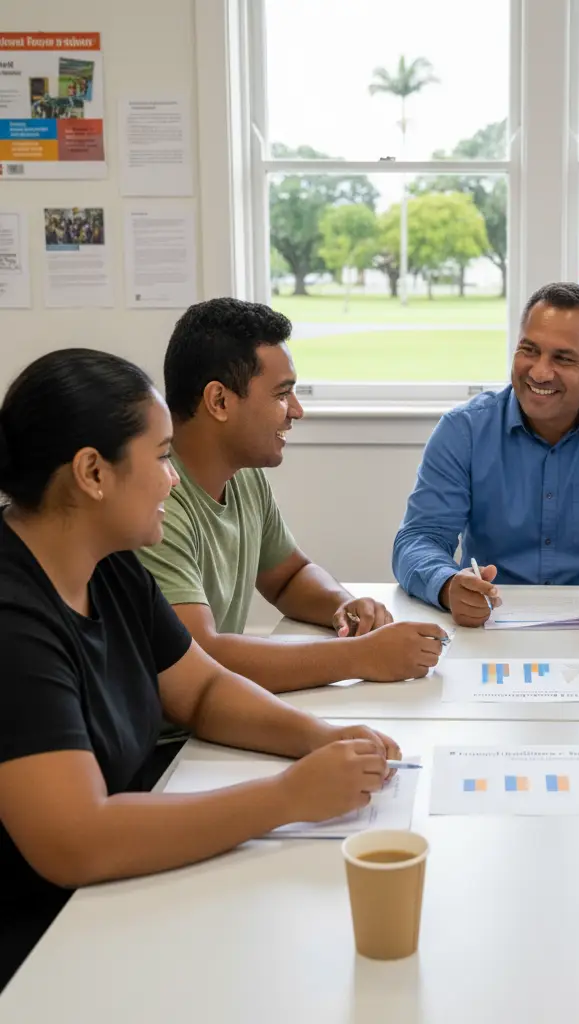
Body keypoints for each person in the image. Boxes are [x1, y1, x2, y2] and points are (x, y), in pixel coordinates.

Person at [0, 350, 403, 990]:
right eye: (162, 457)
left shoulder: (110, 564)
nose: (173, 480)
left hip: (107, 901)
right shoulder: (14, 621)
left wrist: (319, 737)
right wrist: (287, 797)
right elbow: (76, 840)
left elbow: (203, 690)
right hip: (40, 949)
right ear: (92, 472)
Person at [138, 298, 445, 694]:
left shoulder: (243, 476)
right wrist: (361, 656)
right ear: (219, 401)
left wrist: (343, 605)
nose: (297, 411)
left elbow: (288, 577)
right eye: (282, 394)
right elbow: (198, 657)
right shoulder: (156, 504)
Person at [392, 282, 579, 628]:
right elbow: (419, 539)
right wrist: (447, 585)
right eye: (529, 350)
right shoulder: (463, 430)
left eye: (562, 358)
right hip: (489, 626)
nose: (539, 372)